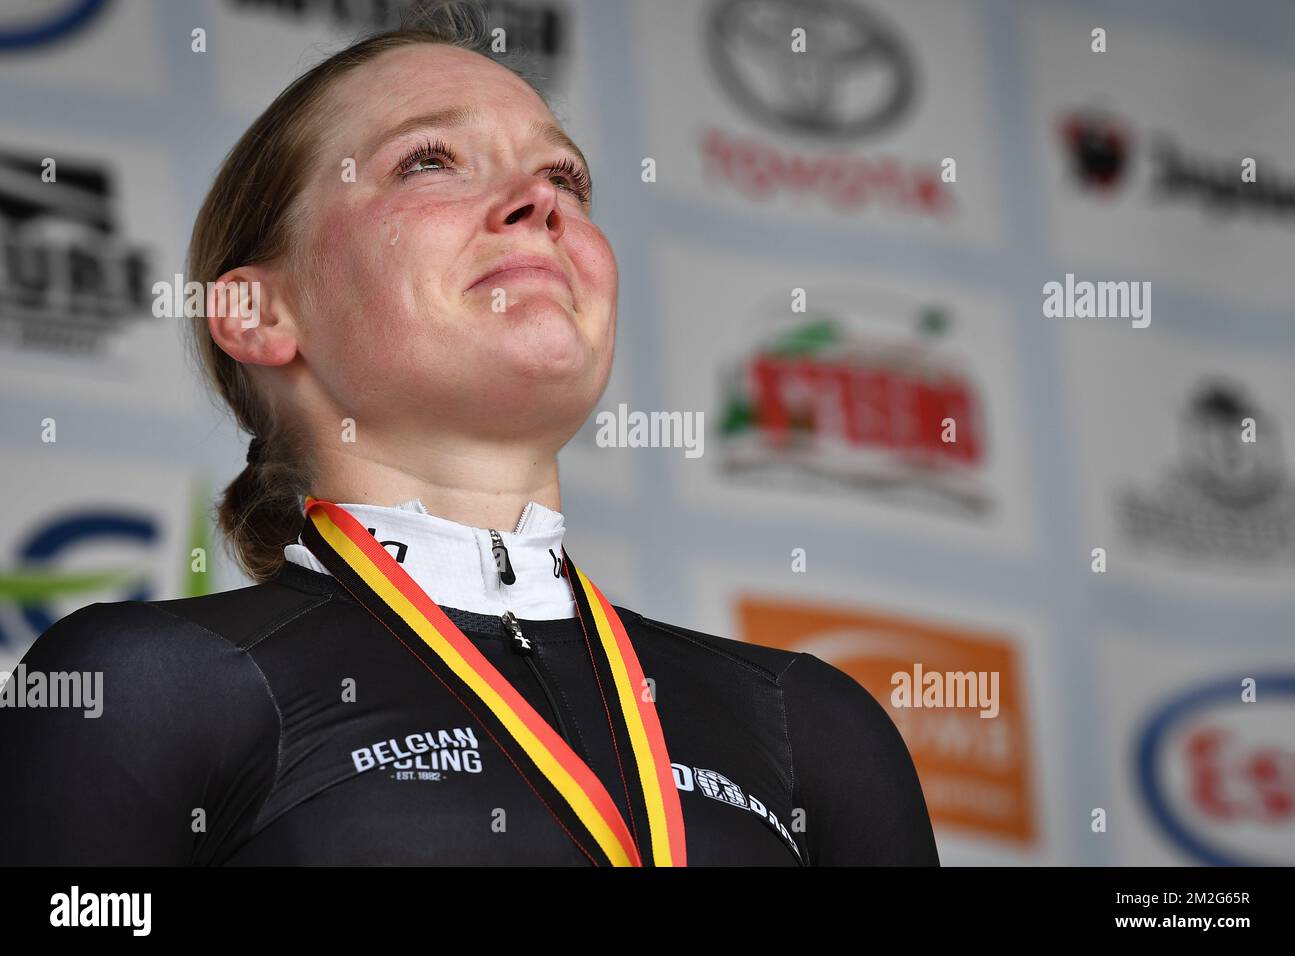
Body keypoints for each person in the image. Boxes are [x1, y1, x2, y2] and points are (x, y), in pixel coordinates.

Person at [0, 1, 938, 867]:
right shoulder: (146, 687)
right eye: (429, 160)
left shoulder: (809, 725)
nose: (541, 202)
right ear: (259, 313)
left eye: (563, 174)